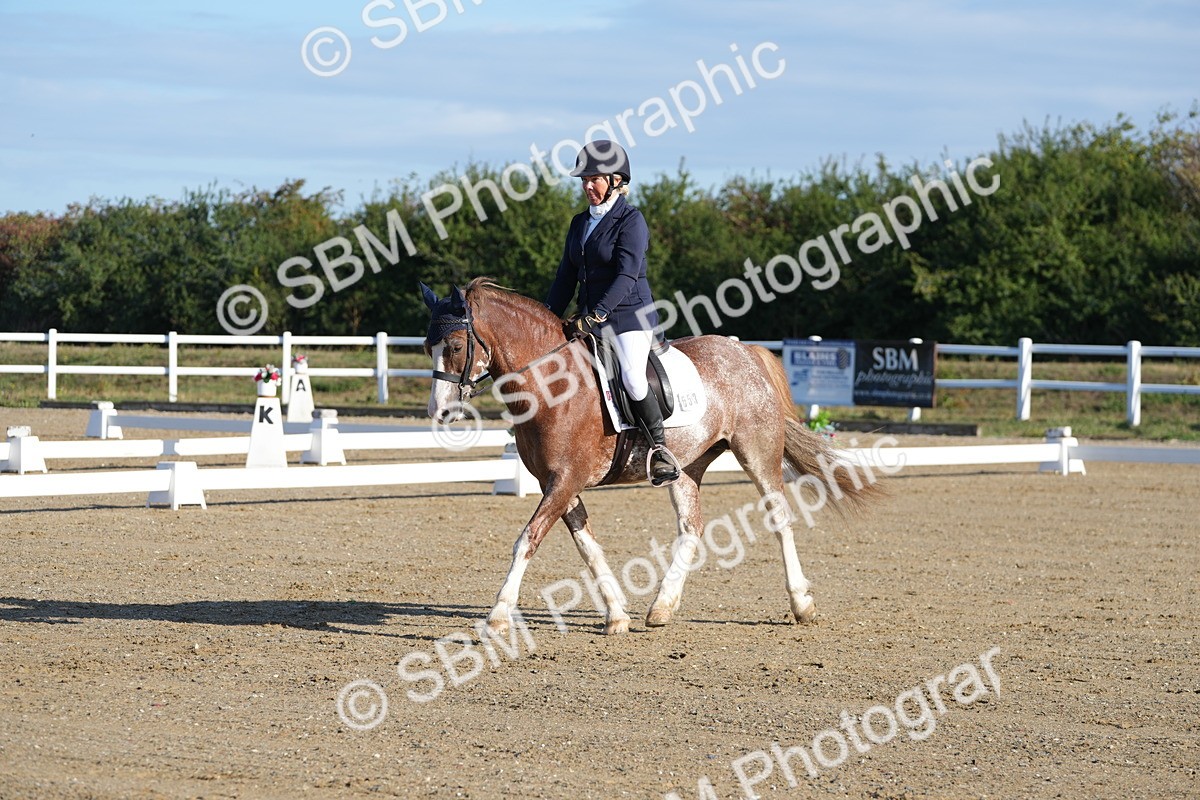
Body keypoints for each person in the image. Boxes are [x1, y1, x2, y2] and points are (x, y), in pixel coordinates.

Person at [545, 140, 680, 486]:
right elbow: (566, 276)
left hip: (629, 316)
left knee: (633, 376)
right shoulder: (579, 223)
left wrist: (600, 312)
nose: (588, 186)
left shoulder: (631, 220)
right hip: (589, 319)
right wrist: (547, 317)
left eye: (596, 179)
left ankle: (660, 449)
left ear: (617, 180)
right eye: (584, 180)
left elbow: (627, 274)